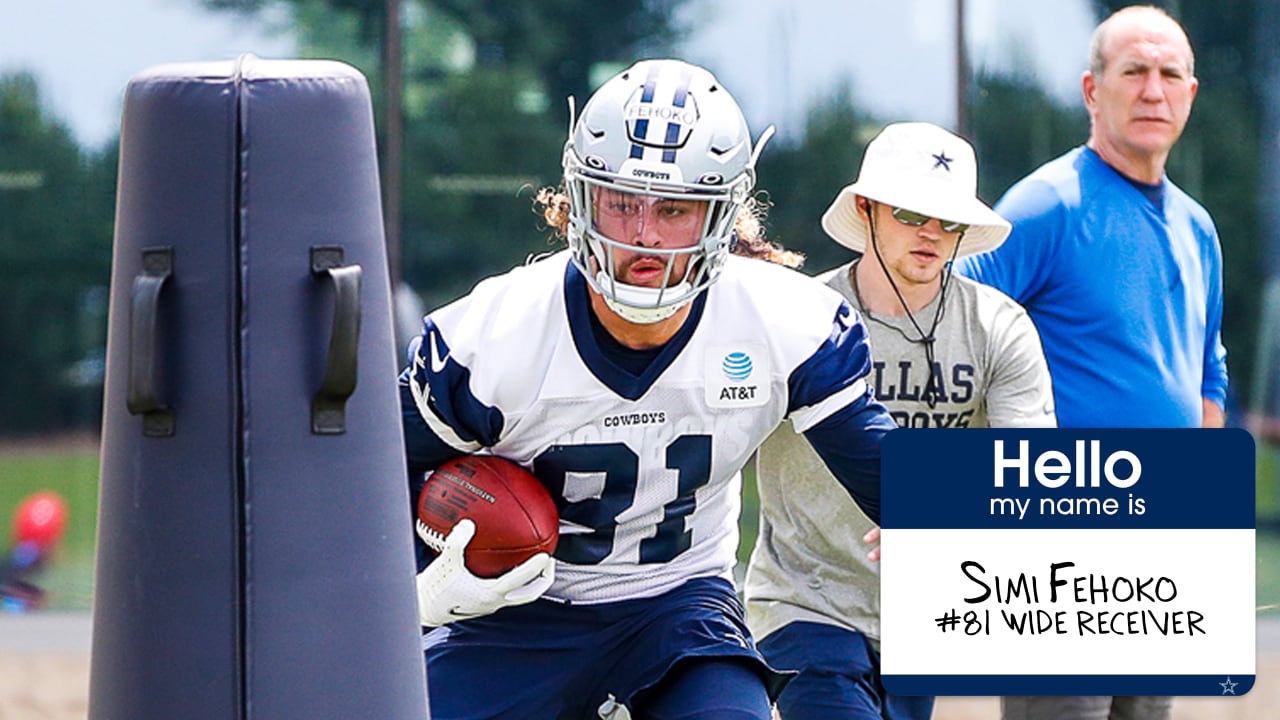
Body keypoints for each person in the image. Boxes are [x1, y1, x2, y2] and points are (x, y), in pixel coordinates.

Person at [398, 58, 897, 720]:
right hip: (513, 616)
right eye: (622, 201)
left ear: (723, 214)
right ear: (580, 198)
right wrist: (417, 590)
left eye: (675, 209)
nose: (644, 234)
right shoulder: (487, 341)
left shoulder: (785, 323)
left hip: (680, 609)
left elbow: (892, 475)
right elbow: (365, 487)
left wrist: (1010, 517)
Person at [955, 6, 1228, 720]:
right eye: (1133, 71)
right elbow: (950, 331)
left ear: (1191, 95)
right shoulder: (1048, 204)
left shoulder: (1198, 227)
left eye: (1170, 74)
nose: (1153, 91)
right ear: (1091, 89)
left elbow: (1208, 373)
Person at [743, 122, 1056, 720]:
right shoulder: (800, 319)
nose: (932, 235)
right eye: (913, 215)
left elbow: (1033, 470)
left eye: (948, 221)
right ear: (868, 209)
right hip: (804, 602)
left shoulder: (998, 328)